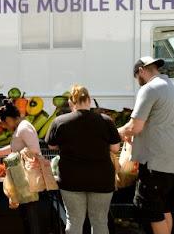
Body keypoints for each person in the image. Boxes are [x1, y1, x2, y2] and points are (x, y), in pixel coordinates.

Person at [118, 56, 174, 234]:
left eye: (136, 76)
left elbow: (135, 126)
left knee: (150, 210)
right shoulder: (170, 88)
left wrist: (113, 132)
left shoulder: (149, 88)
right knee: (163, 207)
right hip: (171, 160)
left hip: (156, 161)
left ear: (141, 71)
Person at [45, 85, 120, 234]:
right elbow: (115, 148)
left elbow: (51, 146)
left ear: (71, 102)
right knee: (99, 222)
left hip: (71, 179)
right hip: (101, 179)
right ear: (89, 100)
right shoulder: (106, 121)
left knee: (74, 221)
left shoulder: (60, 121)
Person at [0, 99, 50, 234]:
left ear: (9, 119)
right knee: (26, 214)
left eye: (4, 123)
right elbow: (16, 147)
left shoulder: (24, 128)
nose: (4, 126)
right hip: (23, 177)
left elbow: (34, 151)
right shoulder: (21, 128)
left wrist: (13, 159)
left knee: (30, 213)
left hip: (29, 178)